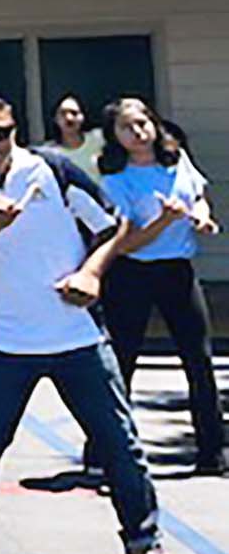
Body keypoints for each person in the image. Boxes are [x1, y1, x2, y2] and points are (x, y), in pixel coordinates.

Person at [0, 93, 179, 554]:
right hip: (2, 341)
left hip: (77, 336)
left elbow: (113, 226)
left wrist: (91, 274)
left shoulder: (52, 169)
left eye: (4, 130)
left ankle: (143, 542)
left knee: (119, 443)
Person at [95, 97, 223, 475]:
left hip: (176, 271)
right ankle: (105, 453)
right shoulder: (115, 180)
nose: (138, 132)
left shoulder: (176, 158)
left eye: (143, 123)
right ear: (114, 136)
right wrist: (163, 222)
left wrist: (201, 217)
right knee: (121, 362)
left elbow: (197, 196)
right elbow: (123, 242)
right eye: (126, 127)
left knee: (198, 359)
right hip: (132, 273)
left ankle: (212, 452)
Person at [45, 93, 107, 181]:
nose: (69, 118)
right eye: (63, 113)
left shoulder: (99, 139)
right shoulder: (50, 153)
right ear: (55, 118)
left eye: (74, 113)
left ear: (83, 117)